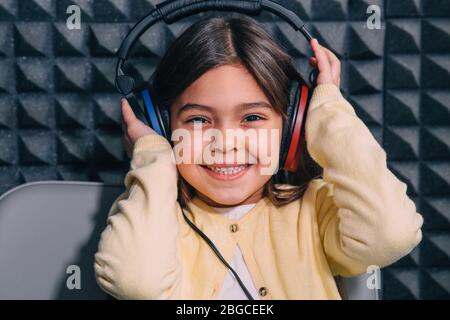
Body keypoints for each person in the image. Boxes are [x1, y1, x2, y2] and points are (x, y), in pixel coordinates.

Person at [94, 16, 423, 300]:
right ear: (162, 126)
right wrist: (154, 159)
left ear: (292, 125)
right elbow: (135, 281)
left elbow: (391, 233)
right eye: (197, 119)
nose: (225, 144)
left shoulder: (317, 211)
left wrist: (327, 112)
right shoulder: (153, 218)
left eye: (252, 118)